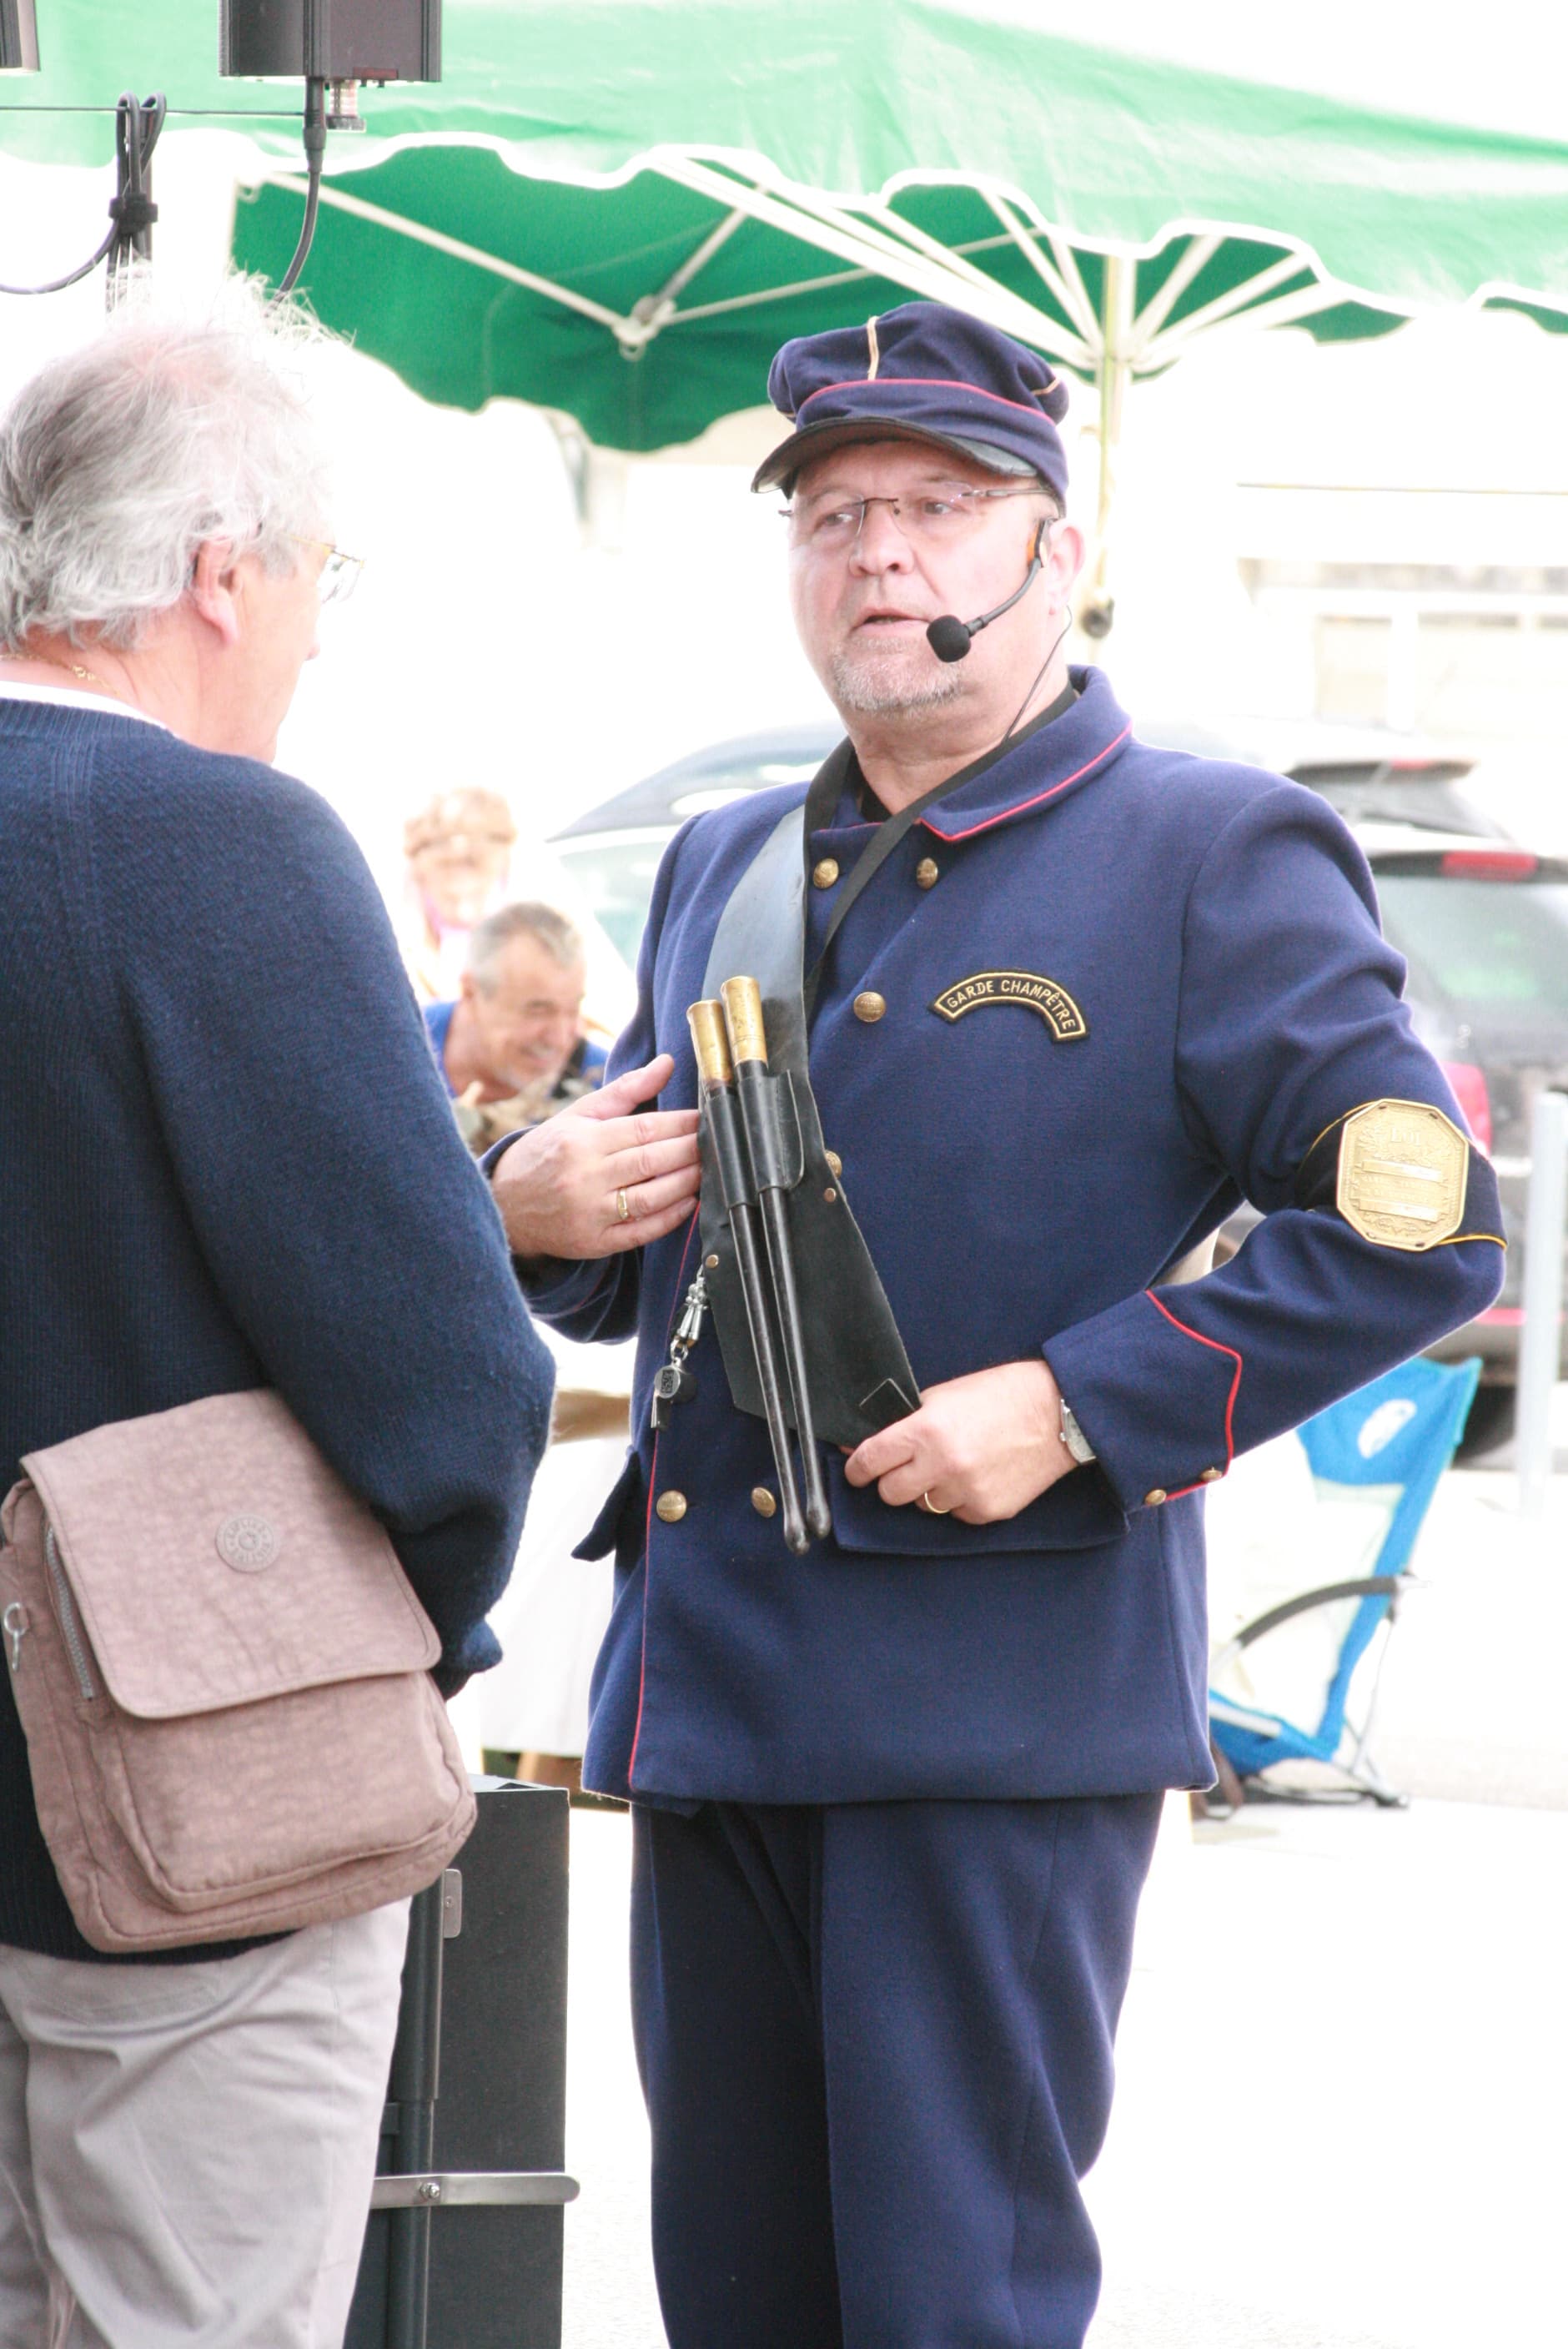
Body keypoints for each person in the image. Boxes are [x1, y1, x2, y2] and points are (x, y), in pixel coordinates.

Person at [485, 301, 1505, 2349]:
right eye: (833, 514)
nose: (877, 555)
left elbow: (1422, 1232)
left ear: (1054, 548)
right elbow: (657, 1232)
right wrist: (527, 1211)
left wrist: (1073, 1397)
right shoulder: (724, 858)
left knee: (949, 2305)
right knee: (737, 2301)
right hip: (719, 1706)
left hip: (989, 1710)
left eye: (940, 507)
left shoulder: (1208, 849)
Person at [0, 289, 552, 2349]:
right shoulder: (216, 843)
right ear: (218, 575)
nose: (318, 630)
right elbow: (446, 1388)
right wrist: (383, 1624)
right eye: (318, 575)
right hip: (196, 1817)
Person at [425, 898, 607, 1154]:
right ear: (471, 991)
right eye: (537, 1011)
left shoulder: (605, 1085)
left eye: (572, 1010)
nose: (559, 1039)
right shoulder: (399, 1056)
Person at [399, 784, 518, 1002]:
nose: (463, 910)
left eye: (478, 894)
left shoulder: (549, 937)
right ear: (419, 876)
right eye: (449, 897)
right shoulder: (398, 948)